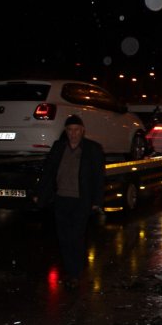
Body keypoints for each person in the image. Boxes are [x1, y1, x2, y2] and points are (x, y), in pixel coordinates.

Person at [35, 115, 105, 289]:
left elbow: (98, 177)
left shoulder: (92, 149)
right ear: (65, 131)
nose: (73, 133)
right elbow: (48, 172)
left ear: (82, 131)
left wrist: (96, 200)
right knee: (64, 238)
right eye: (69, 130)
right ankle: (70, 271)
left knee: (76, 237)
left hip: (81, 200)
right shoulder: (59, 147)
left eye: (76, 130)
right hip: (61, 200)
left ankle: (75, 273)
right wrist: (39, 194)